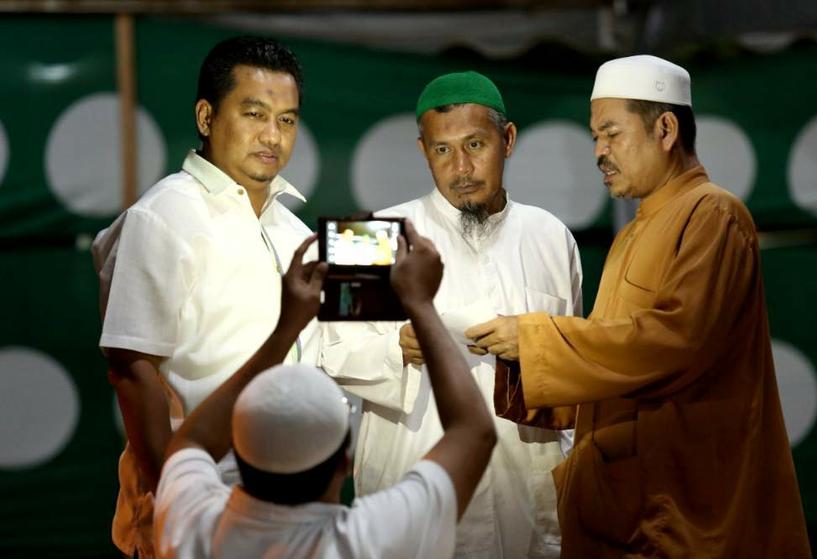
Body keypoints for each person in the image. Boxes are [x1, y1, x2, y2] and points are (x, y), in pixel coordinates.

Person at [467, 55, 812, 558]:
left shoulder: (713, 214)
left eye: (611, 134)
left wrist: (538, 339)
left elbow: (672, 342)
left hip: (683, 514)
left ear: (666, 128)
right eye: (594, 138)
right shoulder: (632, 234)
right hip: (629, 511)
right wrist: (516, 363)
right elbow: (609, 369)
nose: (599, 152)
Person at [320, 71, 582, 557]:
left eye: (475, 144)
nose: (461, 167)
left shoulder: (552, 236)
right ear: (423, 151)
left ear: (508, 139)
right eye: (442, 150)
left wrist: (536, 343)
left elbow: (575, 365)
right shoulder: (367, 235)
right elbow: (326, 356)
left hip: (526, 495)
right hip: (415, 492)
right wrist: (396, 346)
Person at [93, 36, 318, 558]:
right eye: (254, 113)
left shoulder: (291, 230)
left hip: (289, 508)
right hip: (200, 509)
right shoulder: (164, 216)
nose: (272, 136)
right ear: (206, 116)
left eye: (287, 120)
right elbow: (132, 370)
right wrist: (178, 498)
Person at [154, 225, 497, 558]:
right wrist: (421, 304)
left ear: (236, 453)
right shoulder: (370, 539)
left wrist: (285, 328)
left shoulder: (190, 523)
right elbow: (474, 432)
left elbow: (189, 441)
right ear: (345, 463)